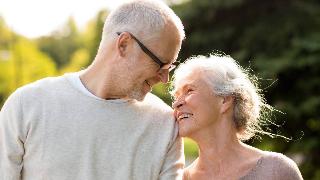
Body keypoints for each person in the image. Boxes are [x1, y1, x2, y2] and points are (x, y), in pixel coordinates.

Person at [0, 0, 185, 179]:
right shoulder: (26, 105)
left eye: (170, 67)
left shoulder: (165, 125)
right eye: (160, 64)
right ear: (124, 44)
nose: (164, 77)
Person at [171, 55, 303, 180]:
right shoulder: (178, 178)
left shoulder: (276, 171)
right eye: (176, 96)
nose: (177, 103)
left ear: (225, 100)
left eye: (189, 91)